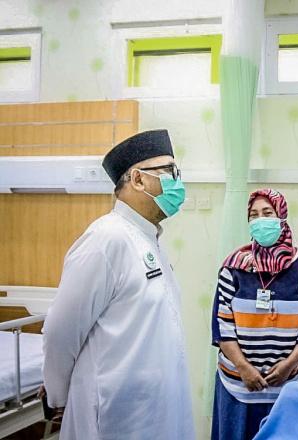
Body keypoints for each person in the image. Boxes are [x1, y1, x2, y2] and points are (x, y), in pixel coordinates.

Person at [42, 129, 194, 439]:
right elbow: (61, 330)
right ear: (138, 179)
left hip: (155, 408)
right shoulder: (106, 239)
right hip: (118, 414)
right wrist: (57, 396)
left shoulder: (148, 239)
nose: (177, 182)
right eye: (170, 171)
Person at [211, 188, 298, 440]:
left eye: (267, 213)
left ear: (281, 217)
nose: (260, 220)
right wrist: (244, 368)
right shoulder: (233, 265)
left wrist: (288, 365)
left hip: (289, 383)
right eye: (254, 215)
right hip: (237, 383)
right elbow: (221, 325)